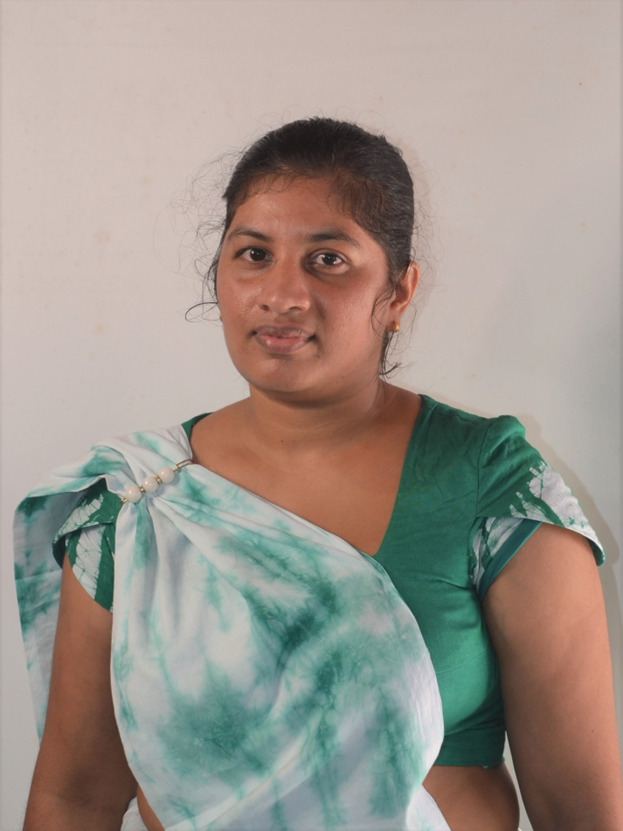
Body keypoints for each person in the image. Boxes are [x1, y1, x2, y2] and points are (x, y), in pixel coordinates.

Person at [14, 118, 623, 831]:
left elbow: (581, 813)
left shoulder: (491, 485)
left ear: (399, 292)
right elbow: (74, 797)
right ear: (219, 276)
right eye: (253, 254)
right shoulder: (140, 500)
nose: (282, 293)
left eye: (328, 259)